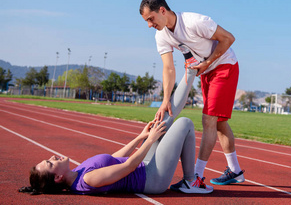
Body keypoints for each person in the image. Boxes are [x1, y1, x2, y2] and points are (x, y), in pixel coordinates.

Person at [19, 70, 212, 195]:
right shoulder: (87, 180)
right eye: (50, 163)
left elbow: (113, 159)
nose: (52, 157)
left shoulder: (77, 173)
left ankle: (191, 68)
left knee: (161, 120)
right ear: (58, 178)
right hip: (153, 178)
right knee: (184, 123)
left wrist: (142, 136)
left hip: (144, 166)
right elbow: (127, 167)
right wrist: (150, 140)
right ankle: (189, 181)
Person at [139, 0, 245, 185]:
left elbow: (228, 38)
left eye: (150, 19)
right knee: (219, 123)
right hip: (205, 71)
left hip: (224, 65)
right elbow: (168, 68)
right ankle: (235, 171)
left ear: (162, 10)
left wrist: (208, 62)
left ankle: (195, 177)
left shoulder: (194, 22)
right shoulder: (161, 34)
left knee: (209, 119)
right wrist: (165, 101)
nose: (149, 25)